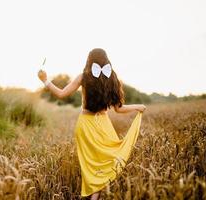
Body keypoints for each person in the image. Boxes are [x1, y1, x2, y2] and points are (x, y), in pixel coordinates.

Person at [38, 48, 146, 199]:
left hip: (86, 124)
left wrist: (45, 80)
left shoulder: (84, 77)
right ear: (106, 60)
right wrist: (137, 107)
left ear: (89, 60)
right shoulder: (112, 77)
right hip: (104, 125)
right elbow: (119, 109)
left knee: (91, 165)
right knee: (105, 162)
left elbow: (62, 94)